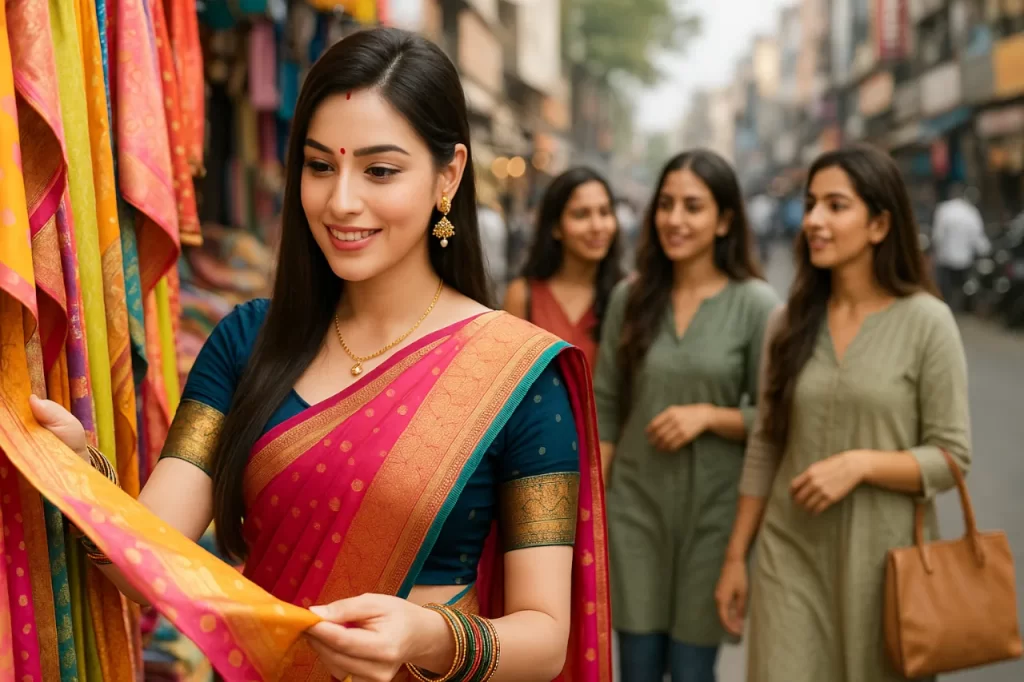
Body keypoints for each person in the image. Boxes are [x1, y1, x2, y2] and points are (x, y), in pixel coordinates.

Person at [28, 28, 611, 682]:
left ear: (449, 175)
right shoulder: (247, 342)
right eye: (320, 166)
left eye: (379, 170)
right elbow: (147, 561)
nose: (341, 202)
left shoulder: (518, 376)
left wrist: (428, 636)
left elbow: (545, 636)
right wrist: (76, 472)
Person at [715, 146, 971, 682]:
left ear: (879, 224)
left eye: (836, 206)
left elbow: (951, 457)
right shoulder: (787, 323)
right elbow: (766, 442)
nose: (813, 220)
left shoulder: (929, 322)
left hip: (886, 563)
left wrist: (860, 464)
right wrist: (737, 556)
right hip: (791, 555)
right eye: (811, 205)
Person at [593, 149, 779, 682]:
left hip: (715, 517)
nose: (676, 219)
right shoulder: (630, 299)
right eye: (667, 204)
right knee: (639, 668)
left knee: (695, 670)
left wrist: (710, 417)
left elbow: (775, 423)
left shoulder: (757, 305)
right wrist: (594, 514)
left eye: (693, 207)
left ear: (724, 220)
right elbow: (605, 406)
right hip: (634, 510)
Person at [504, 167, 623, 370]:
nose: (597, 226)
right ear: (556, 227)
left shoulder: (624, 296)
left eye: (604, 212)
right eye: (581, 215)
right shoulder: (523, 296)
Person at [931, 183, 989, 312]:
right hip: (964, 258)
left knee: (947, 285)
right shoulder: (971, 212)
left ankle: (948, 307)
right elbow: (978, 237)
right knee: (962, 284)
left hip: (946, 258)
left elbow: (937, 235)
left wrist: (937, 252)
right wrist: (985, 251)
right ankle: (960, 308)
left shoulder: (944, 209)